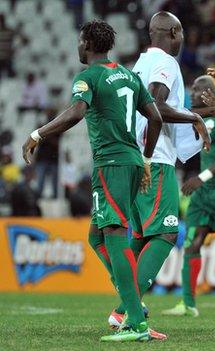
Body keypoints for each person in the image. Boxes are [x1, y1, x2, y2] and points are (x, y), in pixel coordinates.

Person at [21, 20, 163, 342]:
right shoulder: (129, 75)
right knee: (96, 237)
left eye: (79, 41)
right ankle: (131, 301)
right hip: (130, 160)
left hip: (110, 164)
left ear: (86, 43)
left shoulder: (88, 77)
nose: (77, 47)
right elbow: (155, 117)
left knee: (113, 233)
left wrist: (37, 134)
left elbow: (75, 112)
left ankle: (136, 323)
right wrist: (146, 159)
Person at [106, 11, 212, 335]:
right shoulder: (166, 63)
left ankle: (121, 311)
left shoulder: (137, 65)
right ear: (173, 32)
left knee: (140, 238)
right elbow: (157, 105)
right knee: (166, 233)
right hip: (154, 160)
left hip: (131, 159)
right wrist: (194, 117)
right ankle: (132, 318)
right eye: (181, 35)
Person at [161, 75, 215, 317]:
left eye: (199, 88)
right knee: (192, 243)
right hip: (203, 194)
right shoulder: (196, 116)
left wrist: (202, 177)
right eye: (193, 87)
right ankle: (187, 303)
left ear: (211, 92)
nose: (194, 91)